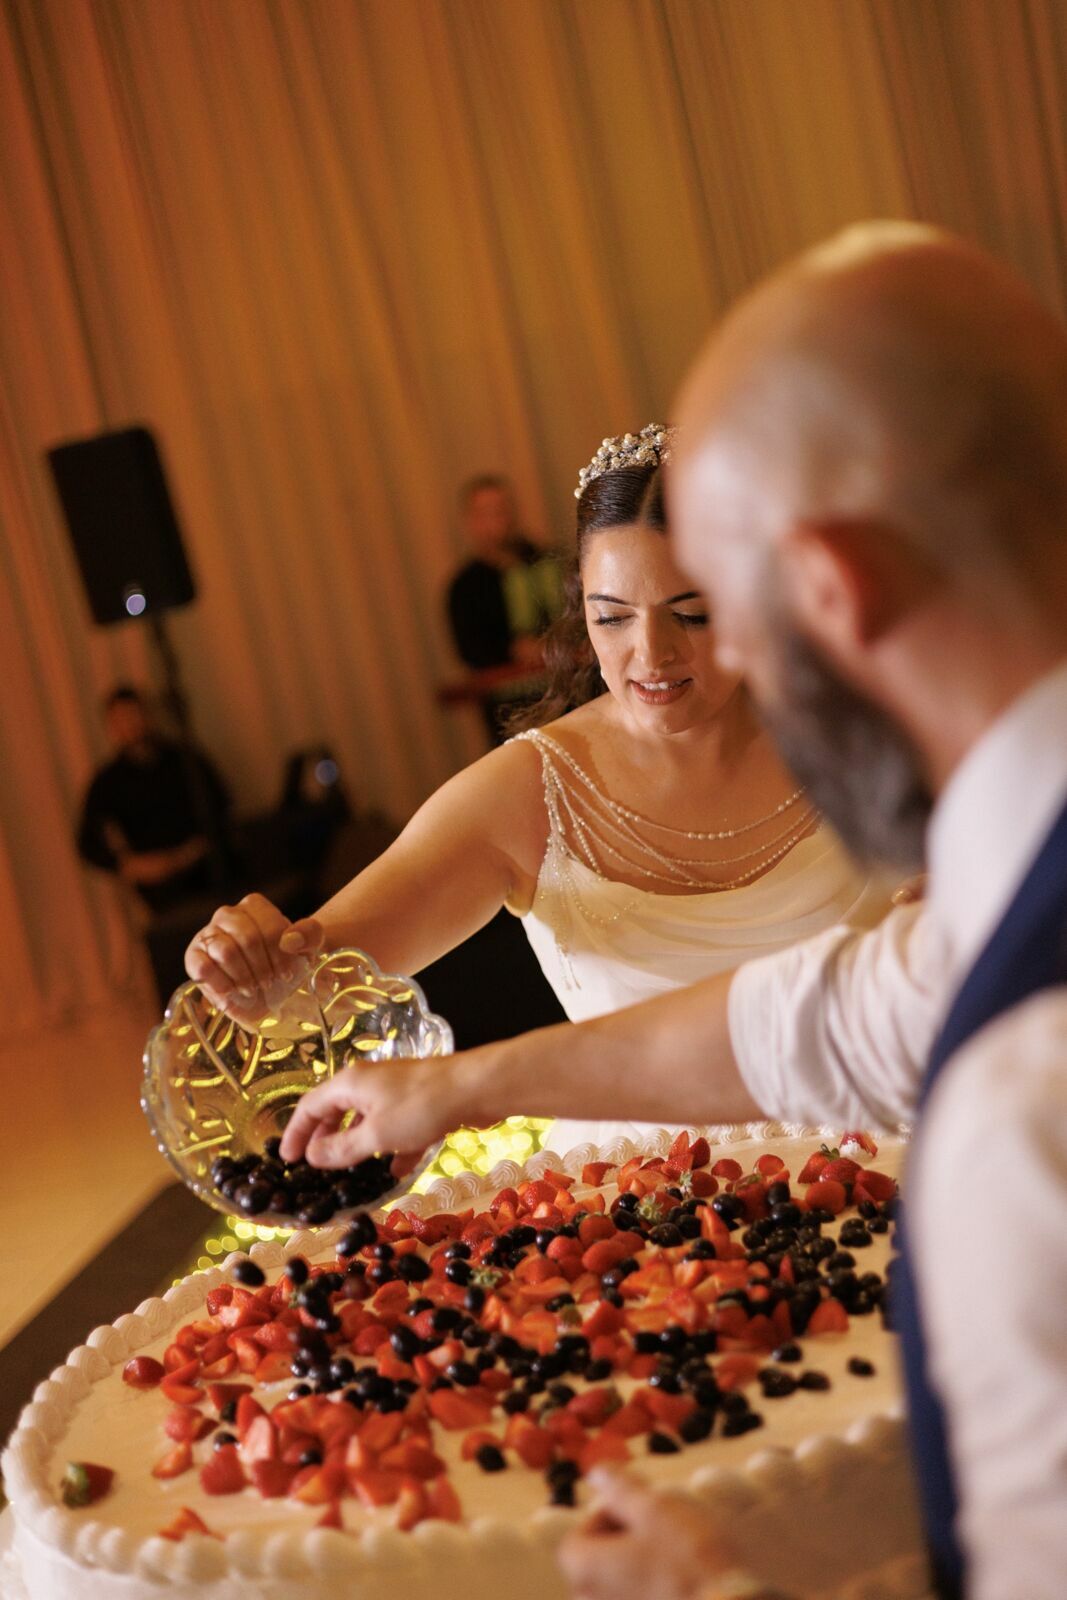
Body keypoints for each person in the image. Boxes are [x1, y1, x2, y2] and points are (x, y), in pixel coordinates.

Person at [276, 224, 1067, 1600]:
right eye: (612, 620)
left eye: (722, 614)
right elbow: (829, 1016)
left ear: (827, 591)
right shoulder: (990, 930)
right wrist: (458, 1089)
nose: (678, 665)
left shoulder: (1016, 1114)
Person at [185, 427, 888, 1150]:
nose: (650, 654)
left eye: (692, 612)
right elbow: (319, 987)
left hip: (887, 1142)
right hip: (653, 1196)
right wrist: (250, 964)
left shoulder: (858, 735)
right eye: (611, 616)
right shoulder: (529, 790)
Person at [77, 685, 231, 914]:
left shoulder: (185, 759)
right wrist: (130, 865)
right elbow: (87, 842)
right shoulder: (108, 781)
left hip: (207, 871)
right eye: (120, 720)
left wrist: (190, 853)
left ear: (147, 715)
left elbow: (221, 805)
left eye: (133, 715)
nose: (130, 725)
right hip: (161, 891)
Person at [445, 473, 564, 742]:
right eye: (487, 512)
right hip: (512, 713)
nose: (499, 520)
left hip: (569, 695)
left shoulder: (547, 561)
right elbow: (469, 650)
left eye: (502, 509)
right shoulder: (465, 586)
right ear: (471, 521)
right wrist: (514, 650)